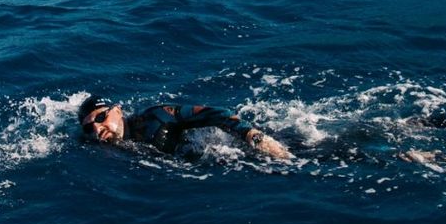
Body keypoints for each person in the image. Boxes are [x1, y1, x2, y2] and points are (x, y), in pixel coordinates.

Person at [77, 95, 292, 159]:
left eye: (101, 117)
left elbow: (216, 113)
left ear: (118, 110)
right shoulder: (103, 146)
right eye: (88, 128)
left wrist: (254, 136)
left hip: (237, 151)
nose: (97, 129)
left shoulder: (157, 117)